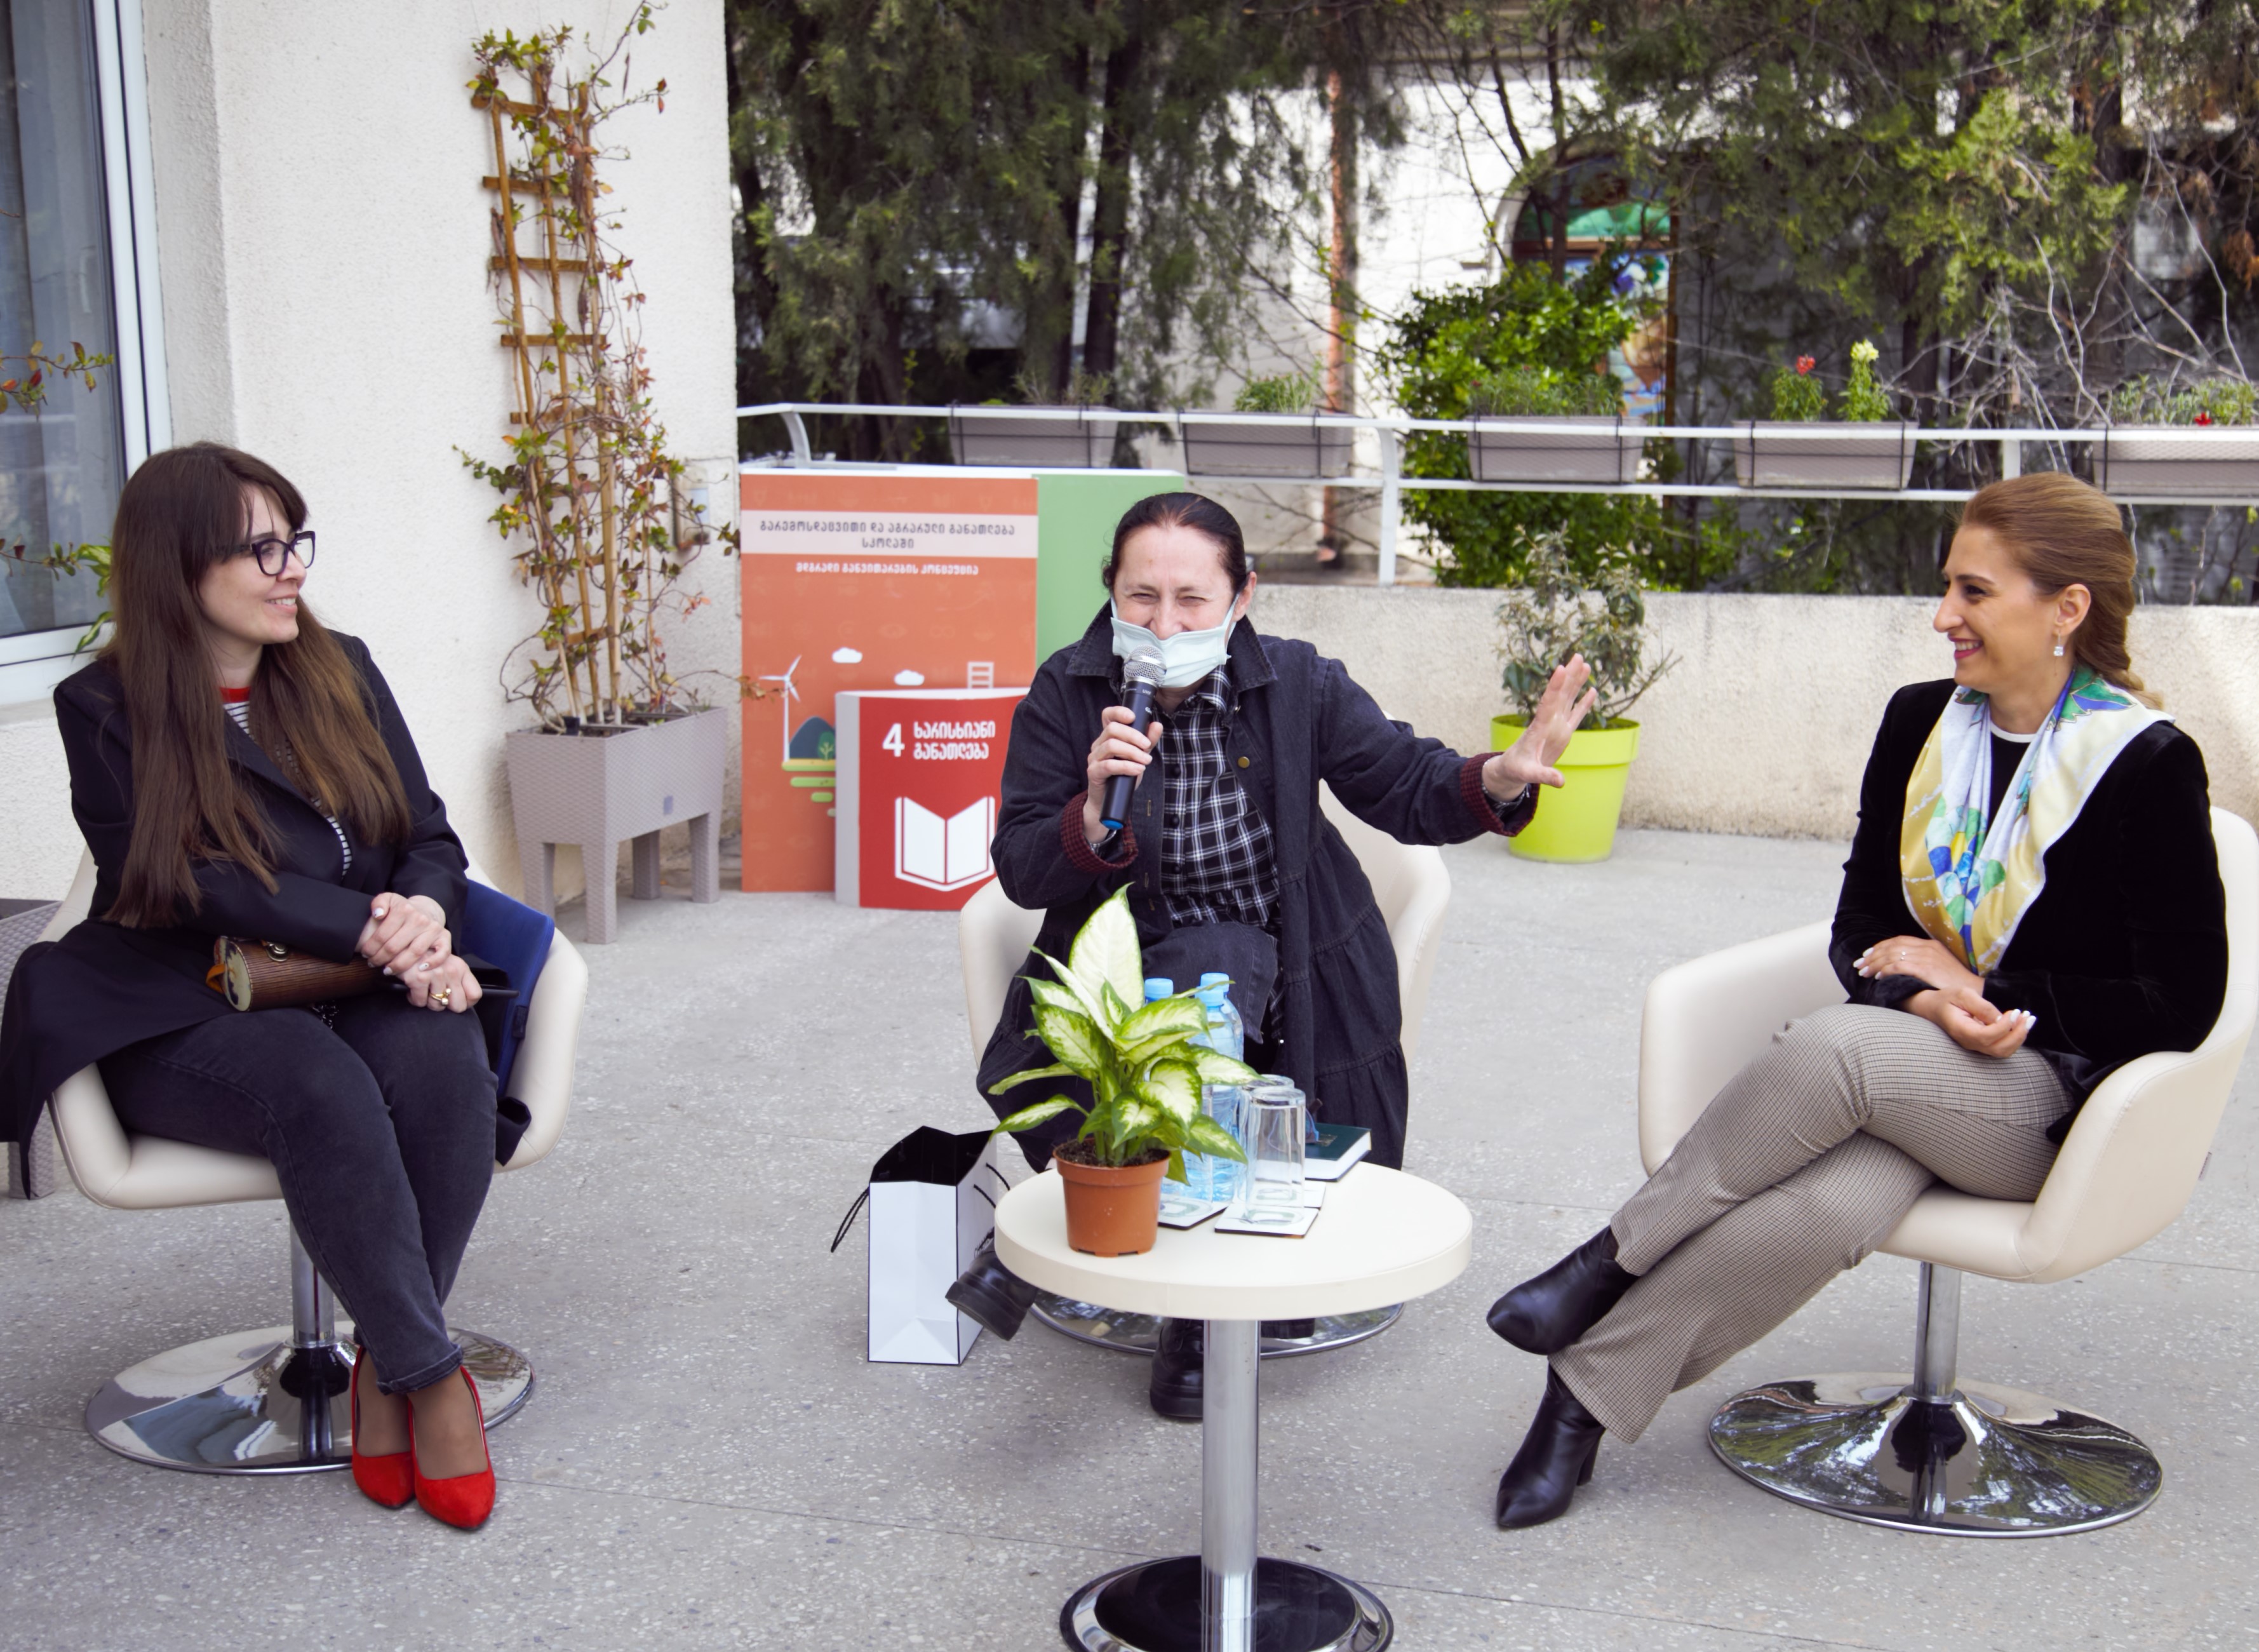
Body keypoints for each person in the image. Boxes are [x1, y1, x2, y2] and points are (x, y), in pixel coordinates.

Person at [1483, 471, 2229, 1528]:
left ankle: (1605, 1263)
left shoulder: (2145, 764)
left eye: (1974, 592)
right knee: (1829, 1205)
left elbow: (2181, 1002)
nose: (1943, 615)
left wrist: (1986, 988)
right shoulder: (1922, 723)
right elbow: (1859, 926)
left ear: (2067, 607)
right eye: (1947, 586)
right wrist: (1924, 1002)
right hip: (1917, 1063)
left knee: (1833, 1048)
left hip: (2056, 1105)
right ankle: (1581, 1401)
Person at [946, 490, 1595, 1418]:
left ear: (1241, 596)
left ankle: (1115, 1250)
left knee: (1215, 967)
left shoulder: (1297, 682)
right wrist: (1089, 815)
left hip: (1298, 966)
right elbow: (1020, 866)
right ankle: (1195, 1309)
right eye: (1140, 598)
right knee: (1197, 976)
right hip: (1128, 965)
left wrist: (1496, 776)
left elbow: (1403, 781)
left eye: (1192, 600)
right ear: (1111, 592)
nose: (1164, 625)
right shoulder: (1067, 691)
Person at [0, 443, 502, 1529]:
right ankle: (430, 1377)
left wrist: (419, 916)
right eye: (261, 549)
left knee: (445, 1065)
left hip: (349, 974)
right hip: (179, 996)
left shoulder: (341, 667)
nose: (292, 569)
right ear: (178, 566)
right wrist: (371, 923)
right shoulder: (104, 704)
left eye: (295, 540)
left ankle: (385, 1360)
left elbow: (425, 834)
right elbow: (182, 876)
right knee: (319, 1084)